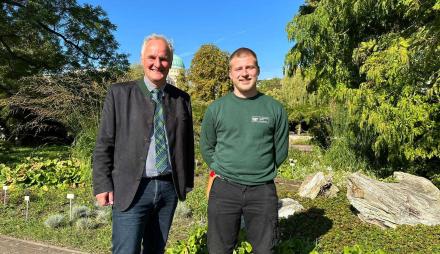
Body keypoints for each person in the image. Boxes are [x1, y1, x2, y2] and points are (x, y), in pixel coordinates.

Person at [93, 34, 194, 254]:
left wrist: (186, 182)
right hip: (131, 188)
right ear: (142, 59)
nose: (158, 63)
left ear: (170, 61)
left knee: (155, 250)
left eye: (164, 58)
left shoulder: (181, 98)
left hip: (168, 188)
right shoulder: (120, 93)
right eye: (152, 57)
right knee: (125, 250)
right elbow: (104, 142)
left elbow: (187, 144)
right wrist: (103, 184)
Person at [200, 47, 289, 254]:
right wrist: (223, 168)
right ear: (230, 74)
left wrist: (260, 170)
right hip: (224, 189)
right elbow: (206, 146)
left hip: (262, 191)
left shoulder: (274, 109)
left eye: (250, 67)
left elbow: (281, 150)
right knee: (218, 249)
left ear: (258, 70)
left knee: (265, 249)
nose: (244, 73)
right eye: (238, 68)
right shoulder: (216, 109)